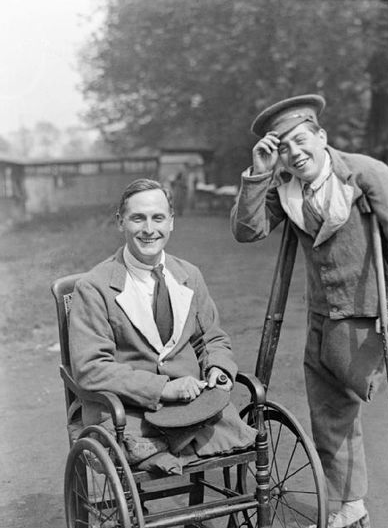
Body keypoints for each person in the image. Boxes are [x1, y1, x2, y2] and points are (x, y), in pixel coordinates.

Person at [231, 94, 388, 528]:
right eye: (283, 147)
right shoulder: (286, 187)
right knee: (328, 413)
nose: (295, 153)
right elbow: (247, 231)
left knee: (345, 402)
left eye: (301, 141)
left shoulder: (365, 174)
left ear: (320, 136)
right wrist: (260, 173)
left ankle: (351, 502)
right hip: (322, 315)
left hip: (368, 317)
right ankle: (349, 506)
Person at [69, 178, 254, 474]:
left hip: (193, 410)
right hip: (127, 413)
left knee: (241, 434)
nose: (148, 229)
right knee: (132, 446)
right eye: (137, 218)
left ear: (171, 222)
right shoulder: (94, 287)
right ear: (120, 222)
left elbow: (212, 338)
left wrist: (218, 368)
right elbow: (91, 368)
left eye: (157, 218)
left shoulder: (189, 275)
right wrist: (163, 388)